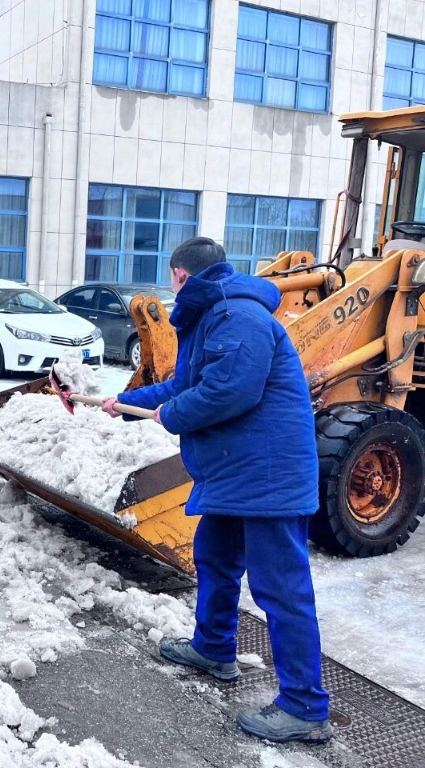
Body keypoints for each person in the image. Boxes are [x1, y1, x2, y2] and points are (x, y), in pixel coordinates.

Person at [100, 237, 332, 744]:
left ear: (181, 275)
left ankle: (305, 707)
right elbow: (186, 385)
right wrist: (123, 403)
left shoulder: (238, 315)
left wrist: (172, 415)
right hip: (236, 472)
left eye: (171, 277)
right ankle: (213, 648)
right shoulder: (213, 315)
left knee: (281, 588)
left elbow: (230, 391)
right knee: (216, 558)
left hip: (268, 478)